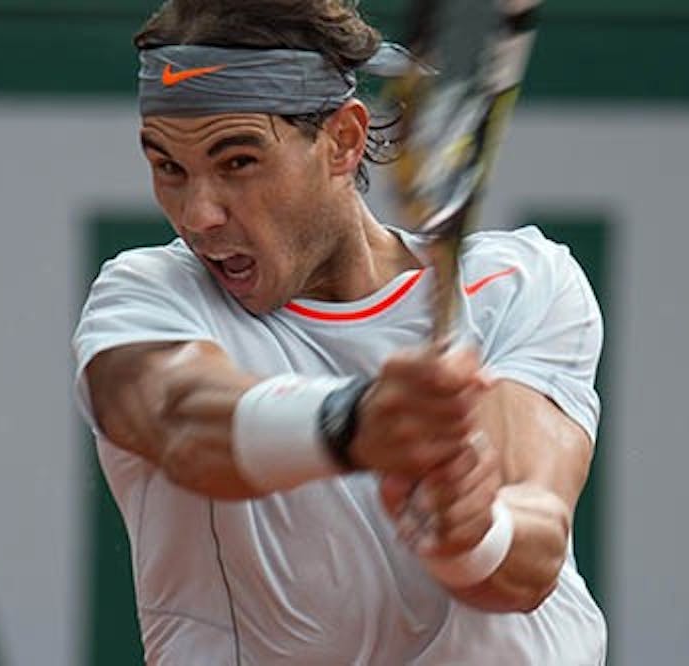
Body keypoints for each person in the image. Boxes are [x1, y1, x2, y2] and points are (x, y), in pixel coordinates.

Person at [72, 0, 607, 663]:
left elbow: (531, 560)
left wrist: (473, 531)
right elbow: (180, 422)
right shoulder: (152, 295)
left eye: (238, 161)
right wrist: (351, 424)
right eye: (168, 168)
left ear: (344, 140)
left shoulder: (518, 285)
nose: (198, 214)